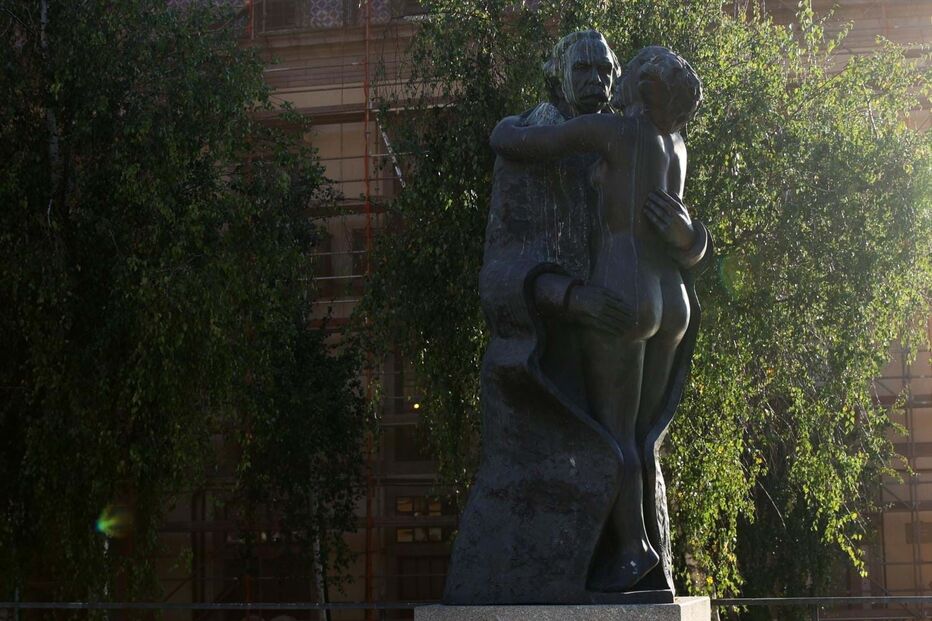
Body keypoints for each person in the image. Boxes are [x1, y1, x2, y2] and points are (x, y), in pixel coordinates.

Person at [488, 46, 708, 591]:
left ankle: (633, 549)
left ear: (636, 84)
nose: (604, 80)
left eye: (616, 70)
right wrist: (693, 241)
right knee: (639, 433)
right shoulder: (677, 145)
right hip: (672, 298)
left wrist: (504, 124)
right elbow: (680, 230)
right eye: (584, 69)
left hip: (626, 286)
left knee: (615, 435)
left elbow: (523, 141)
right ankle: (639, 547)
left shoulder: (612, 131)